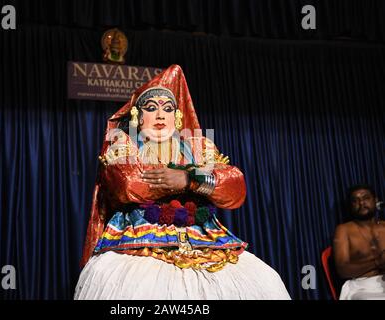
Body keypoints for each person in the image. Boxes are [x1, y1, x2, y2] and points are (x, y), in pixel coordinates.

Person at [74, 64, 290, 299]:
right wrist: (175, 181)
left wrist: (190, 180)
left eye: (168, 108)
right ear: (137, 115)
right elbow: (127, 185)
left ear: (176, 117)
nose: (160, 115)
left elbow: (235, 187)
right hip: (139, 239)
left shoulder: (199, 147)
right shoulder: (125, 144)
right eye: (151, 108)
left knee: (264, 281)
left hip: (204, 239)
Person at [333, 184, 385, 300]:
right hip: (363, 286)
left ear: (375, 200)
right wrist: (377, 262)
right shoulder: (344, 230)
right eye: (355, 201)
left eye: (366, 198)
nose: (361, 203)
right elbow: (342, 269)